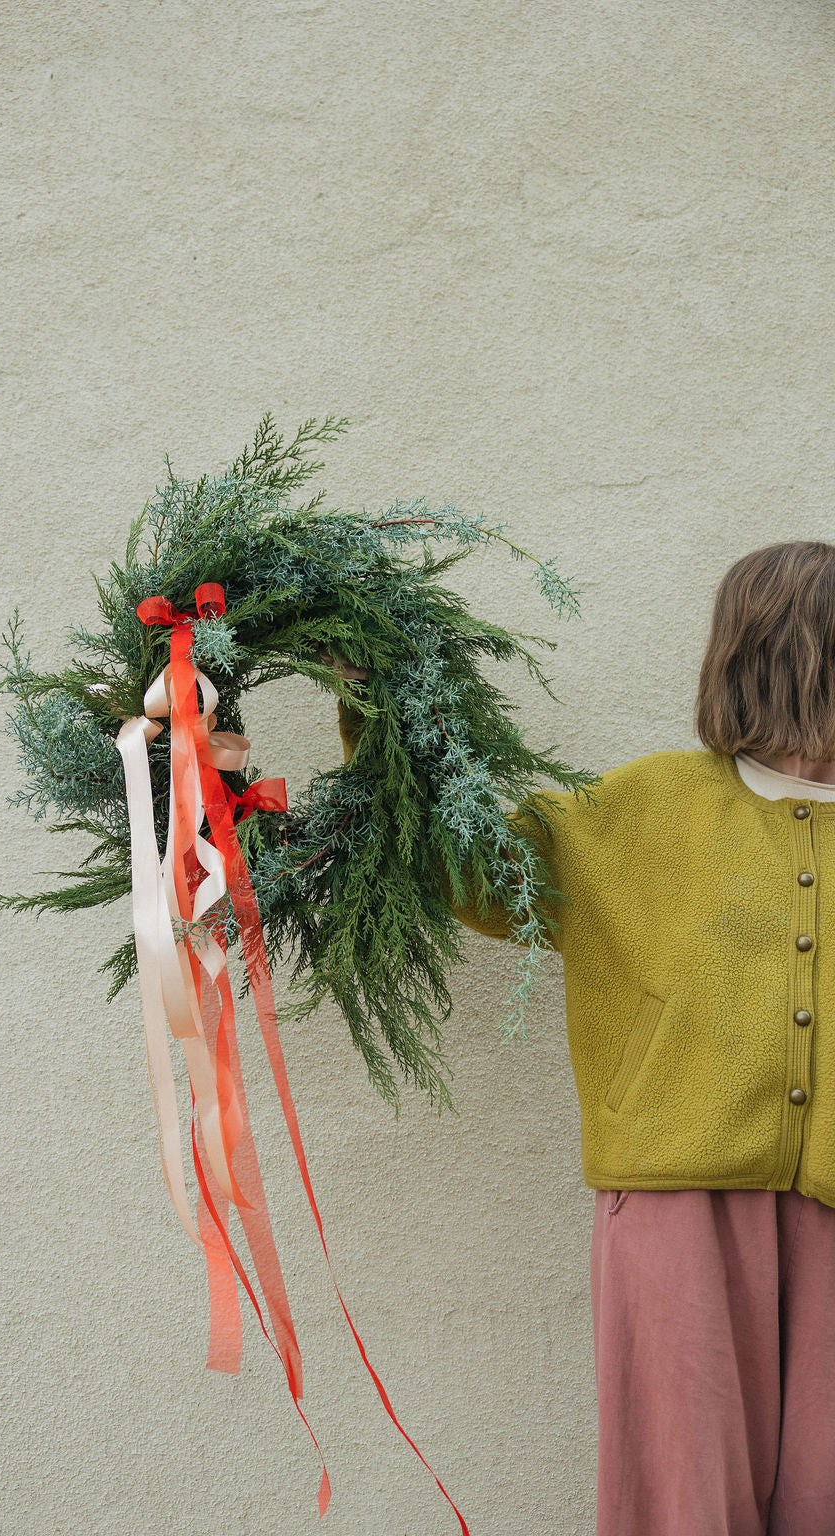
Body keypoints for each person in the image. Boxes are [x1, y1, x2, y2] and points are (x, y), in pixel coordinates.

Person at [335, 538, 835, 1536]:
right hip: (676, 1202)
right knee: (684, 1503)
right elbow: (471, 871)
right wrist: (375, 703)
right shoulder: (639, 809)